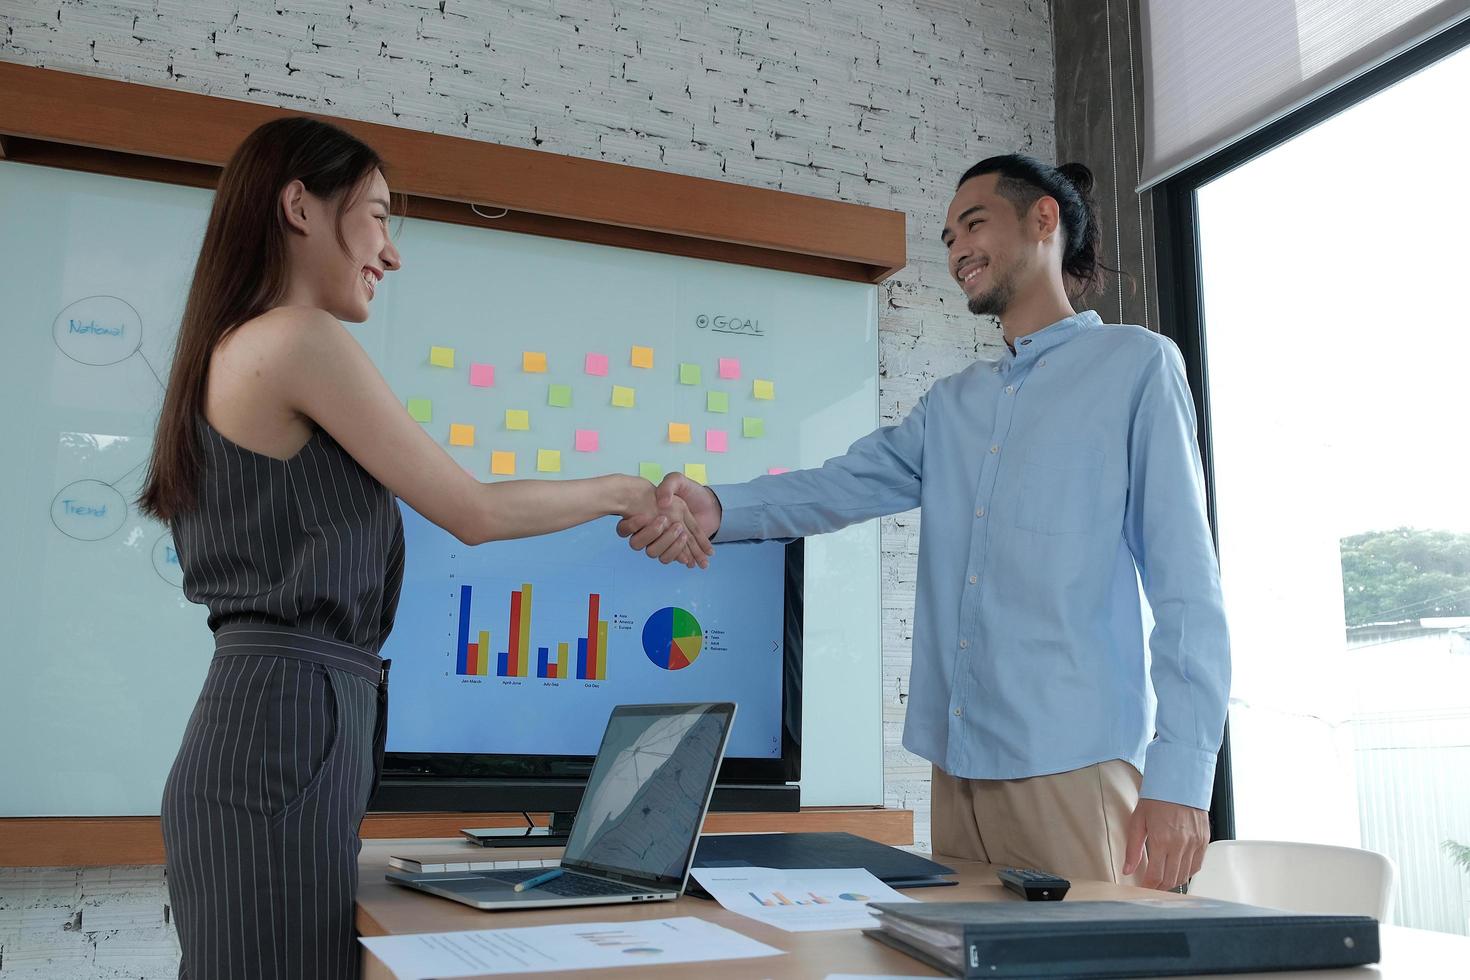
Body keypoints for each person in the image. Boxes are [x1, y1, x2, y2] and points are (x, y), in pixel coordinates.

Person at [137, 117, 712, 979]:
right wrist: (625, 492)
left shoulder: (245, 346)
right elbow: (472, 510)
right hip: (286, 729)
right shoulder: (296, 339)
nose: (391, 252)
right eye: (375, 215)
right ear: (299, 206)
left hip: (284, 724)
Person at [620, 154, 1230, 891]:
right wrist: (719, 507)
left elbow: (1187, 591)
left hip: (1073, 765)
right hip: (955, 765)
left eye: (973, 225)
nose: (955, 251)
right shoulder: (952, 403)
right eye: (946, 238)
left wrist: (1184, 776)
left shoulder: (1136, 367)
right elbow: (841, 484)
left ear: (1045, 220)